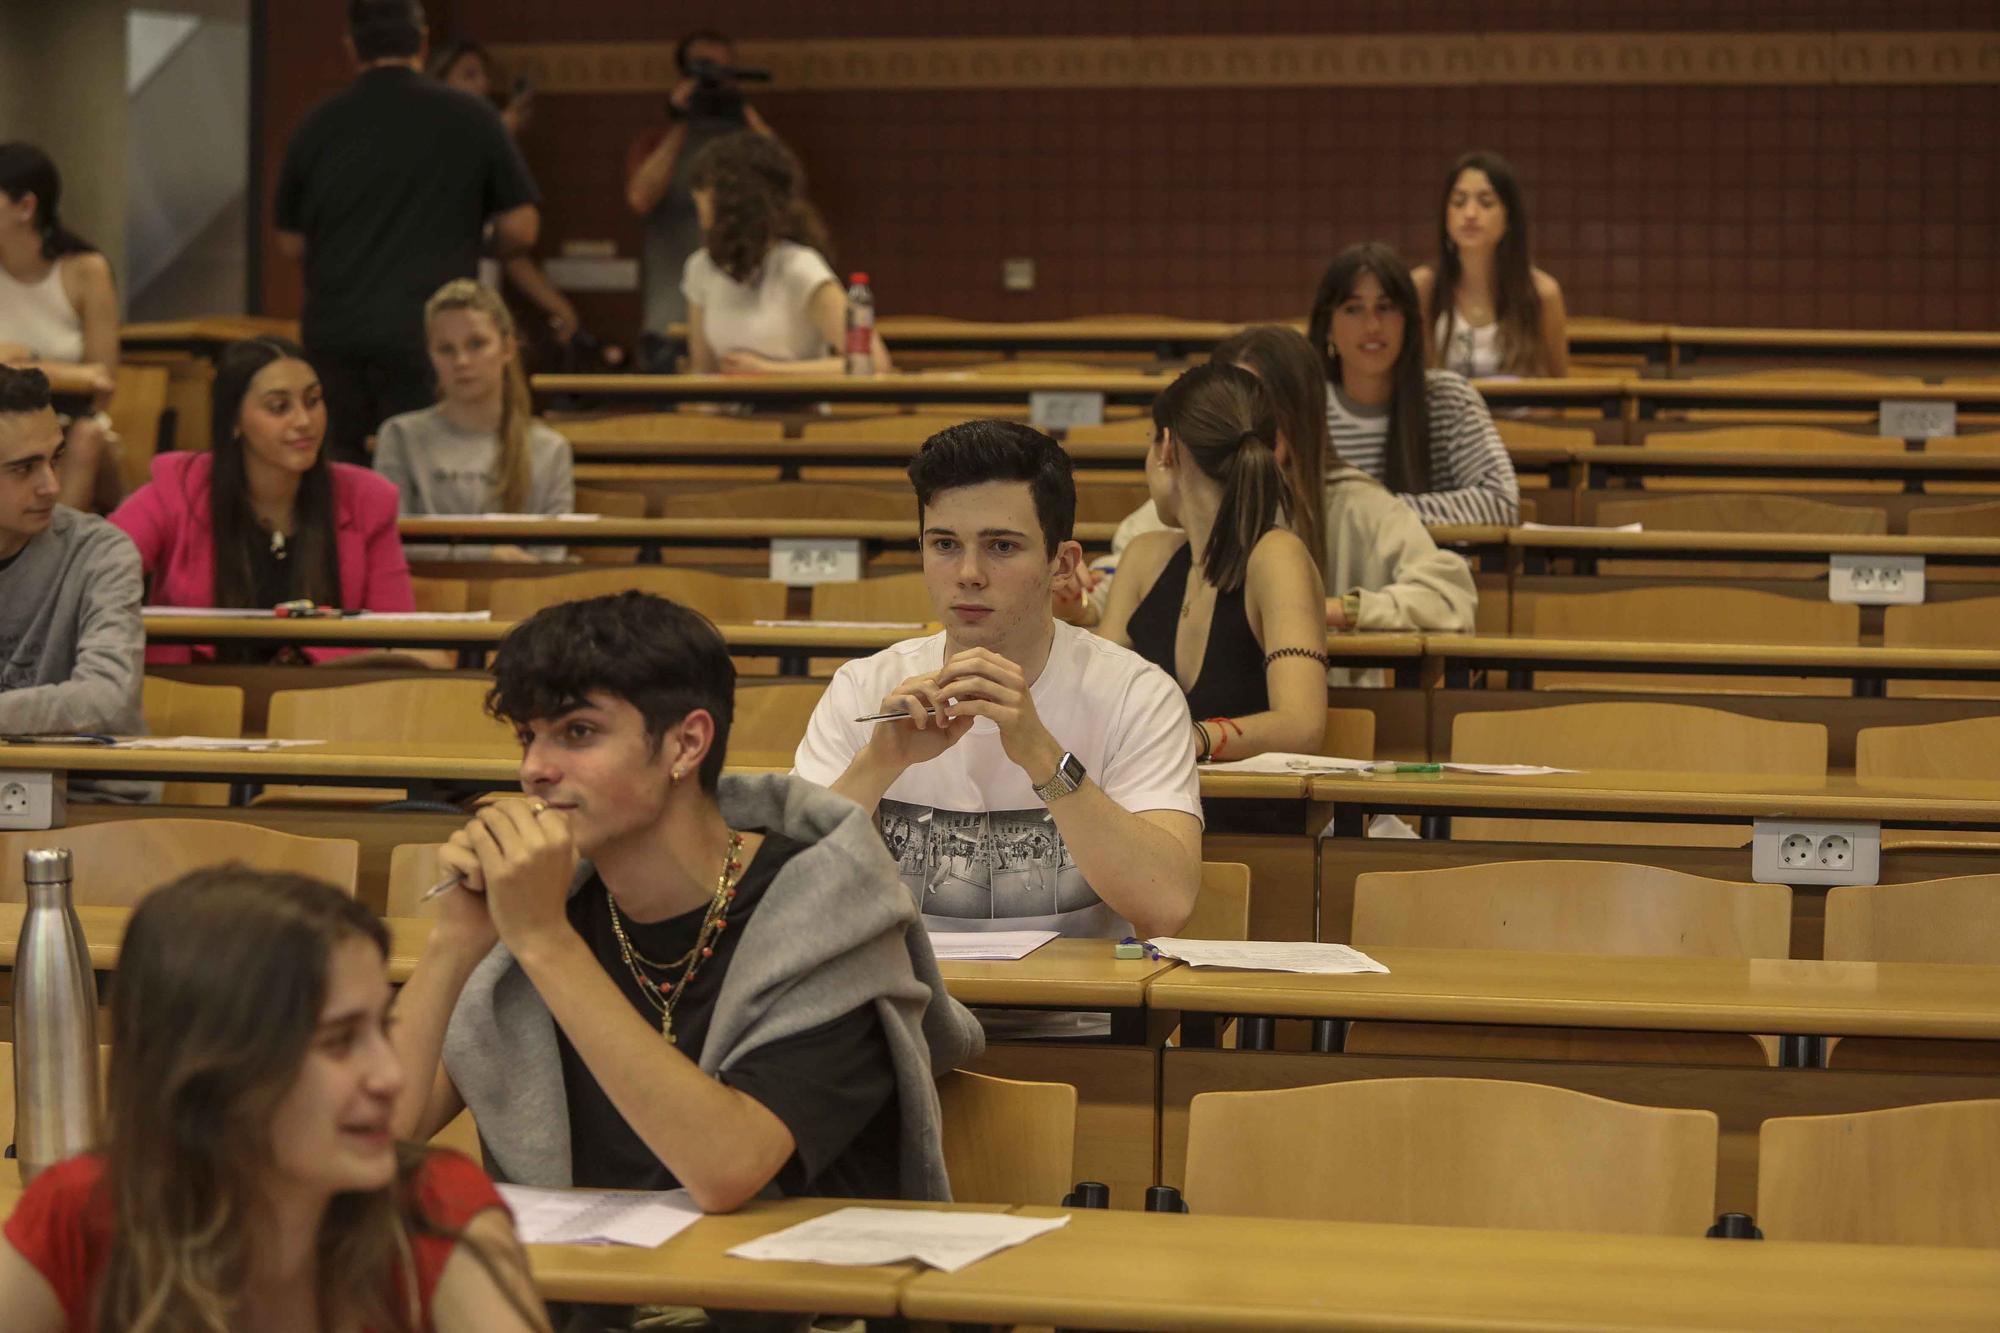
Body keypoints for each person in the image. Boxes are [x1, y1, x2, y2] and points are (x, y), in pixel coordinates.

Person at [389, 597, 980, 1254]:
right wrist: (454, 942)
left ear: (686, 742)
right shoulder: (550, 902)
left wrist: (543, 940)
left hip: (790, 1310)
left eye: (577, 732)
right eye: (530, 736)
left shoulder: (829, 908)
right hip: (588, 1301)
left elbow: (726, 1166)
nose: (535, 768)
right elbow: (378, 1136)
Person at [0, 866, 548, 1333]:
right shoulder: (81, 1210)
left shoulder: (435, 1208)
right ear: (217, 1068)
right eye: (339, 1041)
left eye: (382, 1028)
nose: (389, 1075)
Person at [794, 420, 1202, 945]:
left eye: (1002, 547)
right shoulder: (862, 689)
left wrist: (1042, 755)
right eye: (944, 544)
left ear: (1062, 564)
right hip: (909, 1019)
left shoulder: (1137, 695)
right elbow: (787, 897)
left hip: (1087, 1021)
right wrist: (878, 765)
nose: (968, 573)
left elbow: (1166, 906)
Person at [275, 0, 541, 466]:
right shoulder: (472, 116)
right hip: (432, 336)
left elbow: (290, 241)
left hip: (337, 332)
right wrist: (472, 240)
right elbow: (522, 227)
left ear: (351, 47)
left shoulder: (315, 124)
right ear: (422, 42)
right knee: (425, 473)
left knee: (341, 476)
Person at [110, 336, 414, 664]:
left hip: (326, 703)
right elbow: (94, 574)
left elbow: (403, 641)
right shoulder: (179, 488)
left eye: (313, 401)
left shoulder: (366, 499)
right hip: (197, 702)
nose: (303, 421)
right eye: (279, 407)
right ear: (235, 421)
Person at [1093, 362, 1328, 766]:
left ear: (1167, 448)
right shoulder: (1143, 557)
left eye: (1150, 441)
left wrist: (1191, 738)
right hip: (1146, 811)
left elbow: (1303, 726)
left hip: (1253, 820)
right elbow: (1093, 704)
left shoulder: (1276, 557)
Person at [1307, 242, 1520, 526]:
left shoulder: (1449, 400)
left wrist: (1377, 511)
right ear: (1328, 328)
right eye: (1353, 309)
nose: (1372, 325)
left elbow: (1502, 503)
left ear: (1408, 321)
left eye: (1385, 307)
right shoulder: (1307, 409)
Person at [375, 279, 575, 562]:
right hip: (427, 599)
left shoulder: (550, 448)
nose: (462, 361)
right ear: (431, 355)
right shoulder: (399, 436)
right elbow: (389, 545)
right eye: (446, 349)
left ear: (507, 348)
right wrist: (487, 556)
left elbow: (550, 558)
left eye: (476, 344)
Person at [0, 365, 145, 746]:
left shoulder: (100, 552)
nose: (51, 485)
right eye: (24, 468)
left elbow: (108, 697)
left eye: (54, 459)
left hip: (91, 795)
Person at [682, 131, 891, 376]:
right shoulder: (700, 267)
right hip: (725, 411)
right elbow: (702, 371)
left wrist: (768, 371)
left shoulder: (799, 266)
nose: (697, 196)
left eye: (707, 187)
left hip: (796, 411)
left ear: (737, 198)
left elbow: (873, 365)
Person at [625, 29, 777, 358]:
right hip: (671, 317)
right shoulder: (656, 143)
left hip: (745, 324)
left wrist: (742, 109)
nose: (714, 80)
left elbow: (786, 183)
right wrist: (682, 120)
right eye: (704, 70)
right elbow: (640, 198)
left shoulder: (749, 143)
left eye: (724, 71)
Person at [428, 39, 584, 349]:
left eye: (484, 75)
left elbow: (507, 241)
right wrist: (497, 137)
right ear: (440, 84)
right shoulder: (431, 147)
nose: (483, 85)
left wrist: (556, 306)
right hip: (436, 307)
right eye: (469, 75)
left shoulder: (488, 146)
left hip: (480, 302)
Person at [0, 142, 122, 512]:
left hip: (71, 427)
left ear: (26, 207)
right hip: (4, 428)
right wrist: (68, 374)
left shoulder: (86, 270)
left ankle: (55, 560)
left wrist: (22, 361)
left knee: (87, 436)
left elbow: (102, 382)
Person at [1414, 150, 1569, 380]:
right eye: (1458, 202)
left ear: (1508, 218)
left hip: (1518, 416)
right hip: (1447, 416)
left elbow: (1559, 394)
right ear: (1446, 216)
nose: (1470, 213)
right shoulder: (1424, 287)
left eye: (1486, 202)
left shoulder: (1542, 293)